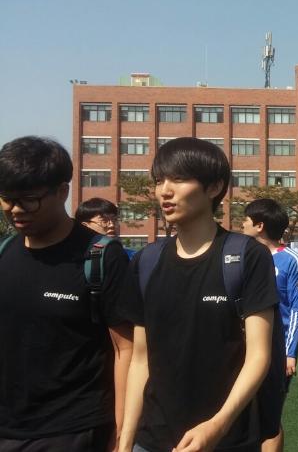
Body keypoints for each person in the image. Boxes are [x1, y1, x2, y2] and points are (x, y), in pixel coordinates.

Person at [118, 137, 280, 452]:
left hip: (226, 439)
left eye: (178, 179)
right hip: (152, 439)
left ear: (214, 187)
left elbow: (258, 355)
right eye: (159, 180)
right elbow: (139, 359)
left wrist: (218, 425)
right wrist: (125, 441)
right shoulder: (147, 261)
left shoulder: (246, 256)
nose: (164, 191)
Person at [0, 136, 132, 451]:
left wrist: (122, 434)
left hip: (72, 429)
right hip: (8, 427)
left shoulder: (100, 256)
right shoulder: (4, 252)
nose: (16, 210)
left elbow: (126, 350)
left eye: (29, 199)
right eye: (6, 198)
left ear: (62, 191)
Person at [240, 198, 298, 452]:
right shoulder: (242, 256)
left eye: (246, 219)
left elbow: (297, 310)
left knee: (269, 415)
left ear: (260, 226)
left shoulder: (291, 260)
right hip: (242, 346)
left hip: (274, 348)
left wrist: (290, 352)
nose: (242, 223)